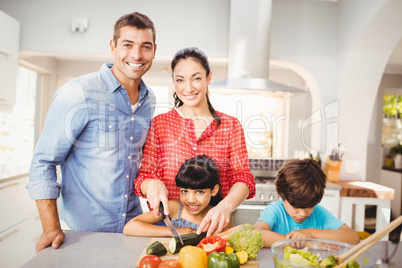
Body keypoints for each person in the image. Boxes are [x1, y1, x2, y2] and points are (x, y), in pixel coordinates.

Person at [27, 12, 157, 253]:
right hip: (81, 234)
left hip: (133, 230)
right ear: (113, 47)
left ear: (154, 51)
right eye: (127, 45)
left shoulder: (150, 101)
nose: (137, 55)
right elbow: (43, 162)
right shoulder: (79, 93)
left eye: (145, 47)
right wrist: (51, 227)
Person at [134, 47, 255, 237]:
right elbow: (145, 175)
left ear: (208, 78)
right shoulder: (160, 124)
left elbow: (243, 178)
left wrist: (225, 206)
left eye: (196, 78)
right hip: (169, 231)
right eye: (180, 80)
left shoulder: (230, 125)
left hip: (215, 229)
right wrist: (151, 184)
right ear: (173, 81)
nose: (188, 88)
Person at [254, 158, 360, 247]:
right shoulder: (275, 210)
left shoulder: (319, 213)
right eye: (296, 206)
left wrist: (310, 233)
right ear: (282, 195)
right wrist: (304, 243)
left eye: (309, 206)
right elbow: (257, 234)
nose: (302, 213)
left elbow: (354, 238)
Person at [124, 154, 234, 236]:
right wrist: (174, 232)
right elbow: (129, 228)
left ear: (214, 190)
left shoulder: (220, 216)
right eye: (184, 191)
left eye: (199, 192)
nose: (191, 200)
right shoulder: (174, 208)